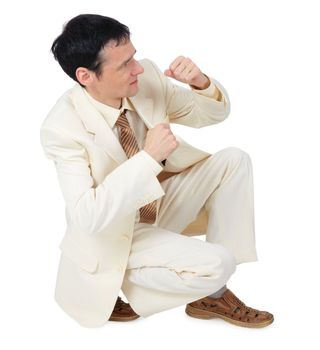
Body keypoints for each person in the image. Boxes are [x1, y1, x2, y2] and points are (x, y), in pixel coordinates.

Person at [40, 13, 274, 328]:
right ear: (85, 76)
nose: (137, 67)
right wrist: (149, 158)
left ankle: (212, 295)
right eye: (124, 65)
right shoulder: (62, 127)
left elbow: (208, 114)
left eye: (133, 56)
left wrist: (201, 83)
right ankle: (123, 281)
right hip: (115, 233)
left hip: (159, 204)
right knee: (219, 263)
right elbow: (88, 215)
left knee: (234, 160)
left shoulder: (146, 77)